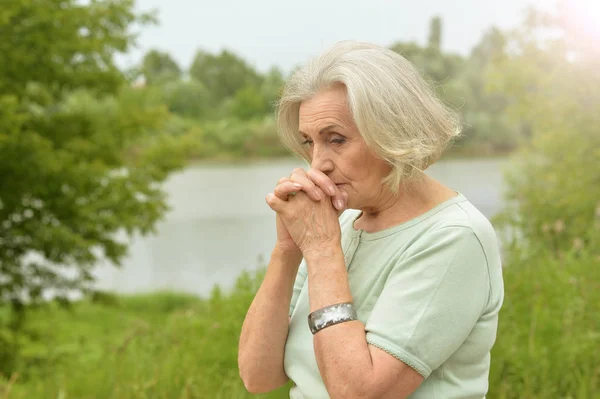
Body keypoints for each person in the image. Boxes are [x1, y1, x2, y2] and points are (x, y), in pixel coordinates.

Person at [238, 40, 504, 399]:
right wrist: (287, 250)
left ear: (394, 132)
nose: (318, 164)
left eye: (336, 139)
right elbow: (259, 376)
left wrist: (320, 250)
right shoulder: (341, 226)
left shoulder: (454, 237)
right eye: (309, 142)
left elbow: (360, 393)